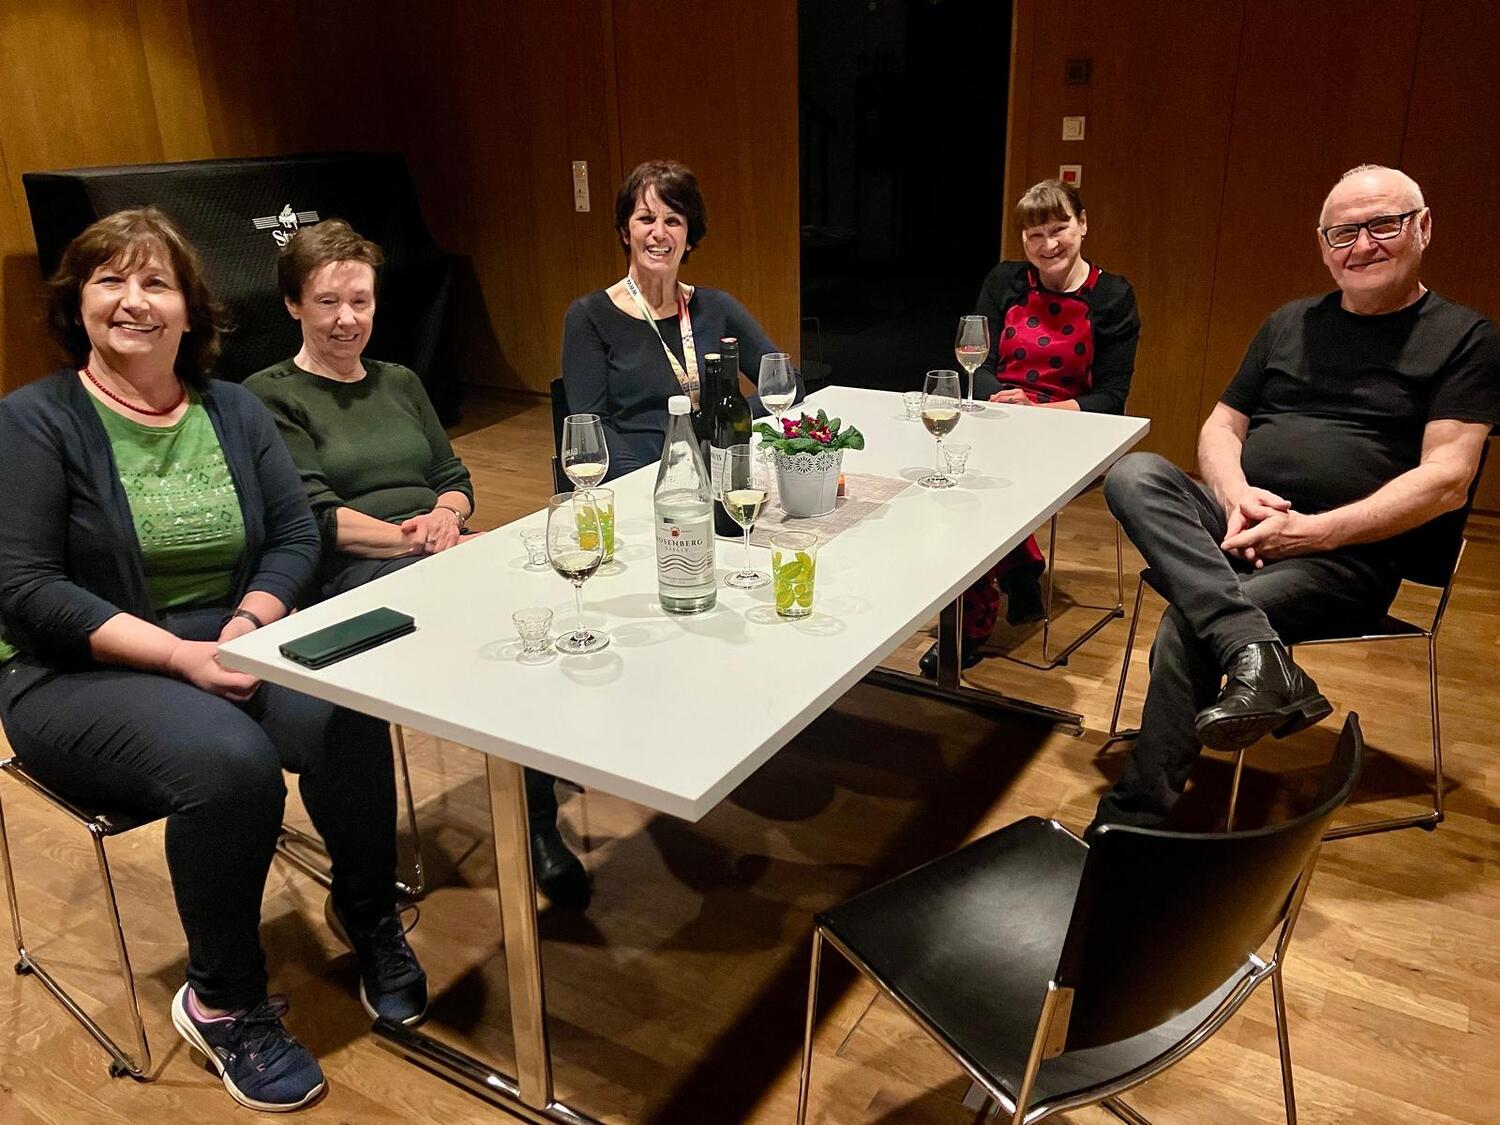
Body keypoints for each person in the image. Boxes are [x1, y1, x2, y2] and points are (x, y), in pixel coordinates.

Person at [0, 208, 426, 1112]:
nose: (134, 300)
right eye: (111, 280)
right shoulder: (33, 420)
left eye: (156, 282)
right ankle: (222, 999)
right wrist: (179, 655)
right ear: (77, 302)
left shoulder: (231, 407)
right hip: (73, 668)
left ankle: (369, 913)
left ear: (191, 309)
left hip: (228, 635)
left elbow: (295, 534)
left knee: (350, 703)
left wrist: (246, 622)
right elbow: (27, 586)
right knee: (233, 765)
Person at [1092, 165, 1498, 832]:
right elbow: (1221, 427)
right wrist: (1235, 497)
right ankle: (1262, 657)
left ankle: (1135, 820)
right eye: (1343, 232)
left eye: (1383, 225)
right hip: (1243, 524)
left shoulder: (1466, 339)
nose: (1362, 245)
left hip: (1347, 556)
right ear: (1323, 245)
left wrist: (1309, 533)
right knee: (1135, 475)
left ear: (1423, 228)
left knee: (1190, 622)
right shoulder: (1290, 322)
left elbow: (1447, 479)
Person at [246, 220, 590, 911]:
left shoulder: (400, 380)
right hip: (355, 574)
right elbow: (317, 517)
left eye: (360, 301)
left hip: (437, 548)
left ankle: (537, 805)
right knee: (494, 630)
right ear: (292, 304)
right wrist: (420, 540)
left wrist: (448, 516)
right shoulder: (270, 394)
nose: (347, 319)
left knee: (546, 606)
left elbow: (452, 477)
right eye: (327, 302)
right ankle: (526, 821)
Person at [920, 179, 1140, 678]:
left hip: (1071, 429)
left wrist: (1041, 413)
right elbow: (978, 362)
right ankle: (1020, 566)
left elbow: (1111, 399)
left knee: (977, 488)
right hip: (1001, 416)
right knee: (947, 471)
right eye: (1035, 235)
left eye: (1059, 229)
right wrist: (1004, 402)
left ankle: (970, 625)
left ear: (1083, 224)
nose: (1048, 244)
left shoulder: (1112, 296)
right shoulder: (1005, 281)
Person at [563, 159, 799, 480]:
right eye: (646, 219)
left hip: (714, 469)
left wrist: (728, 418)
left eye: (673, 221)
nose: (659, 233)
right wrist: (646, 482)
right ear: (625, 233)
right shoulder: (589, 316)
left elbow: (787, 384)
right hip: (639, 475)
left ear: (689, 238)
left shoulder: (717, 306)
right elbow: (591, 427)